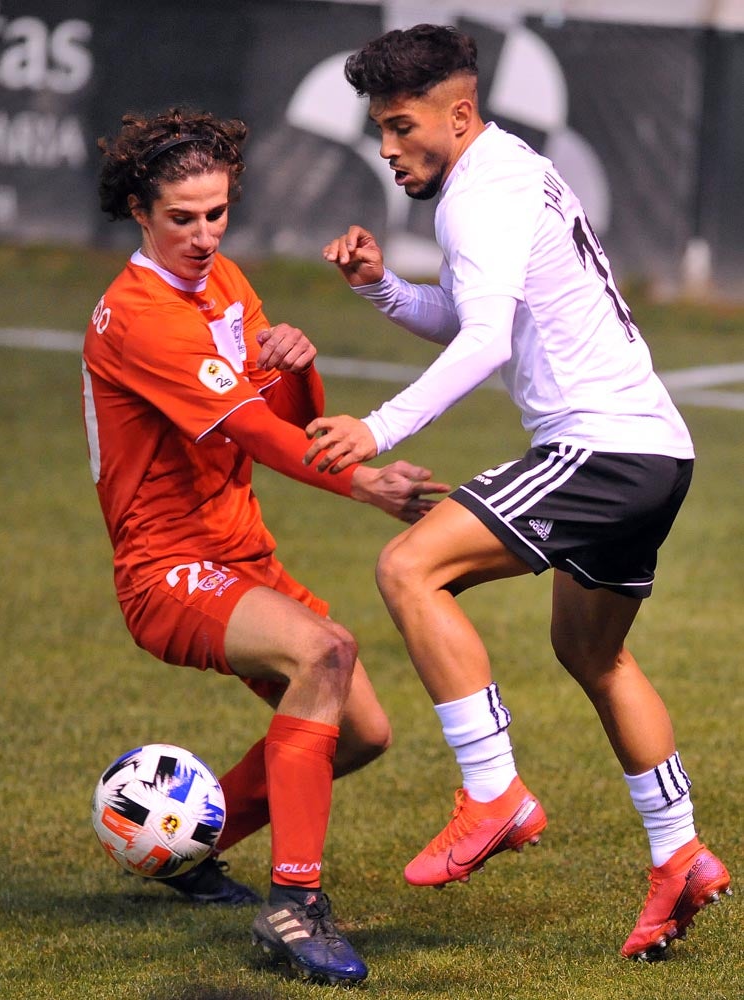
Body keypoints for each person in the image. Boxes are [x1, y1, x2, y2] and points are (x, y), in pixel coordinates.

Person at [303, 24, 732, 961]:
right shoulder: (504, 172)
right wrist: (383, 289)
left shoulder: (481, 191)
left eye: (400, 124)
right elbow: (469, 313)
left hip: (601, 445)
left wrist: (377, 428)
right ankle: (679, 854)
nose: (386, 147)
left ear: (457, 114)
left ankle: (494, 792)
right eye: (378, 127)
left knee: (410, 569)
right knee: (594, 654)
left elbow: (487, 343)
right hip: (654, 452)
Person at [81, 106, 448, 986]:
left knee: (360, 732)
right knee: (326, 652)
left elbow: (280, 415)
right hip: (166, 570)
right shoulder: (139, 316)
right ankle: (295, 907)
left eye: (217, 213)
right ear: (141, 212)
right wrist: (364, 481)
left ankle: (183, 845)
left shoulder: (225, 286)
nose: (204, 235)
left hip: (238, 553)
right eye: (183, 218)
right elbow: (255, 435)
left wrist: (294, 363)